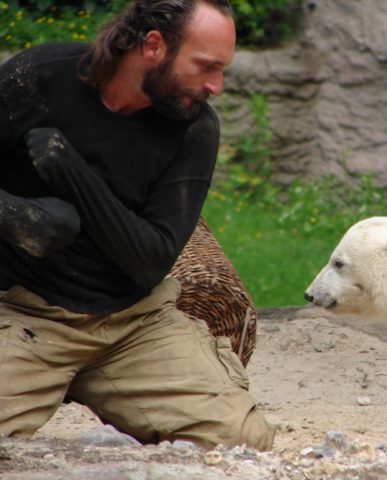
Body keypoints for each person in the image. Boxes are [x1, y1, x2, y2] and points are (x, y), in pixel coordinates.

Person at [0, 0, 275, 450]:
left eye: (222, 70)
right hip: (28, 315)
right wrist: (18, 217)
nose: (217, 86)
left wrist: (72, 172)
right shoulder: (38, 78)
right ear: (153, 46)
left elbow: (150, 261)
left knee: (244, 441)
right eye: (206, 66)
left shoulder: (194, 129)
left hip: (133, 323)